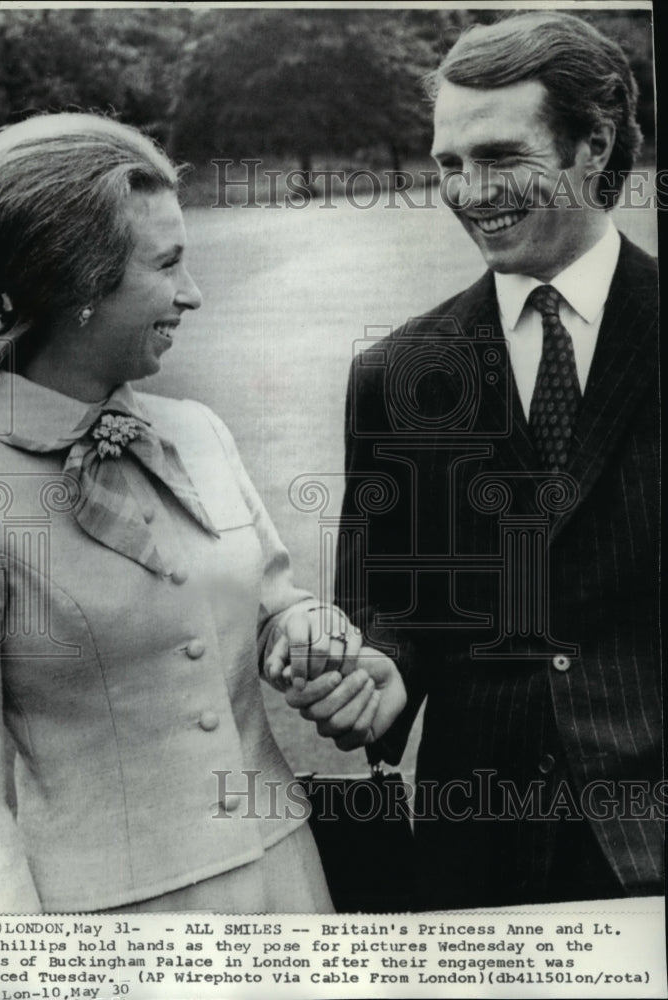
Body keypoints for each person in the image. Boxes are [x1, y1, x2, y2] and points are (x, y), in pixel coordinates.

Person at [0, 112, 405, 914]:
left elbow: (271, 607)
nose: (193, 293)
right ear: (77, 282)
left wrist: (306, 638)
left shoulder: (199, 432)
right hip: (117, 931)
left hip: (290, 885)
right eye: (168, 265)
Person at [334, 11, 662, 909]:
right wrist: (379, 670)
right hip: (472, 849)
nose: (469, 192)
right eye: (448, 164)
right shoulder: (397, 371)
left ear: (592, 146)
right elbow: (387, 602)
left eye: (499, 157)